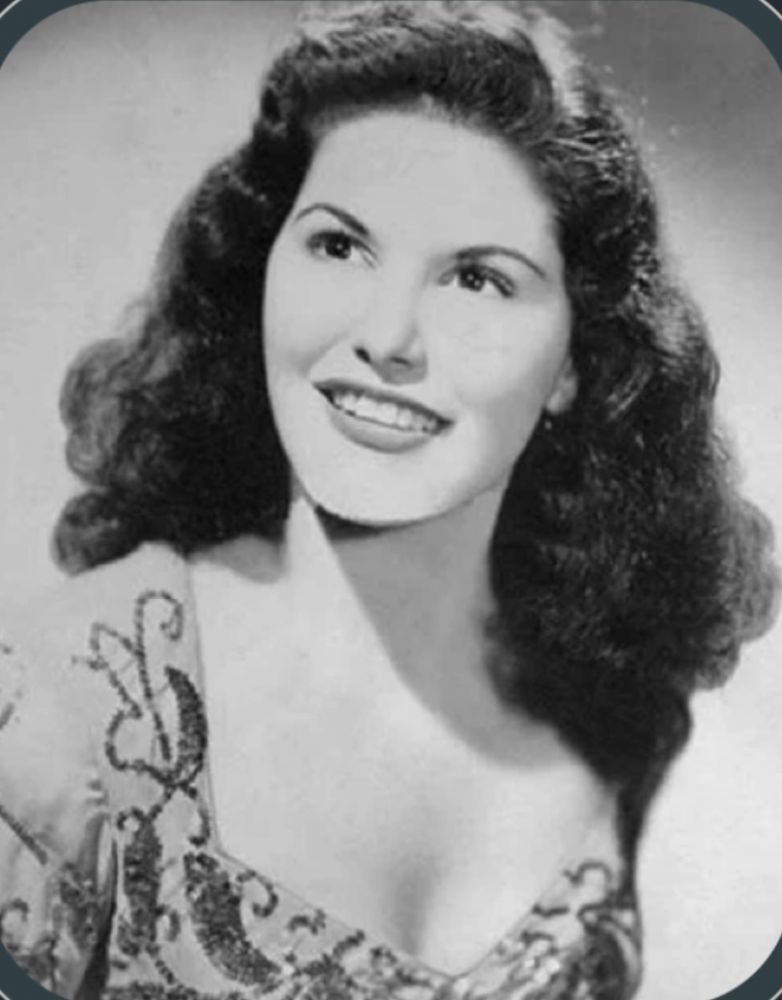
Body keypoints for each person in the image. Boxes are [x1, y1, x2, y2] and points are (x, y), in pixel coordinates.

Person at [0, 1, 777, 998]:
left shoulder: (604, 719)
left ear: (575, 364)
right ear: (262, 268)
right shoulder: (58, 706)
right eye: (339, 246)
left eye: (477, 279)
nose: (387, 336)